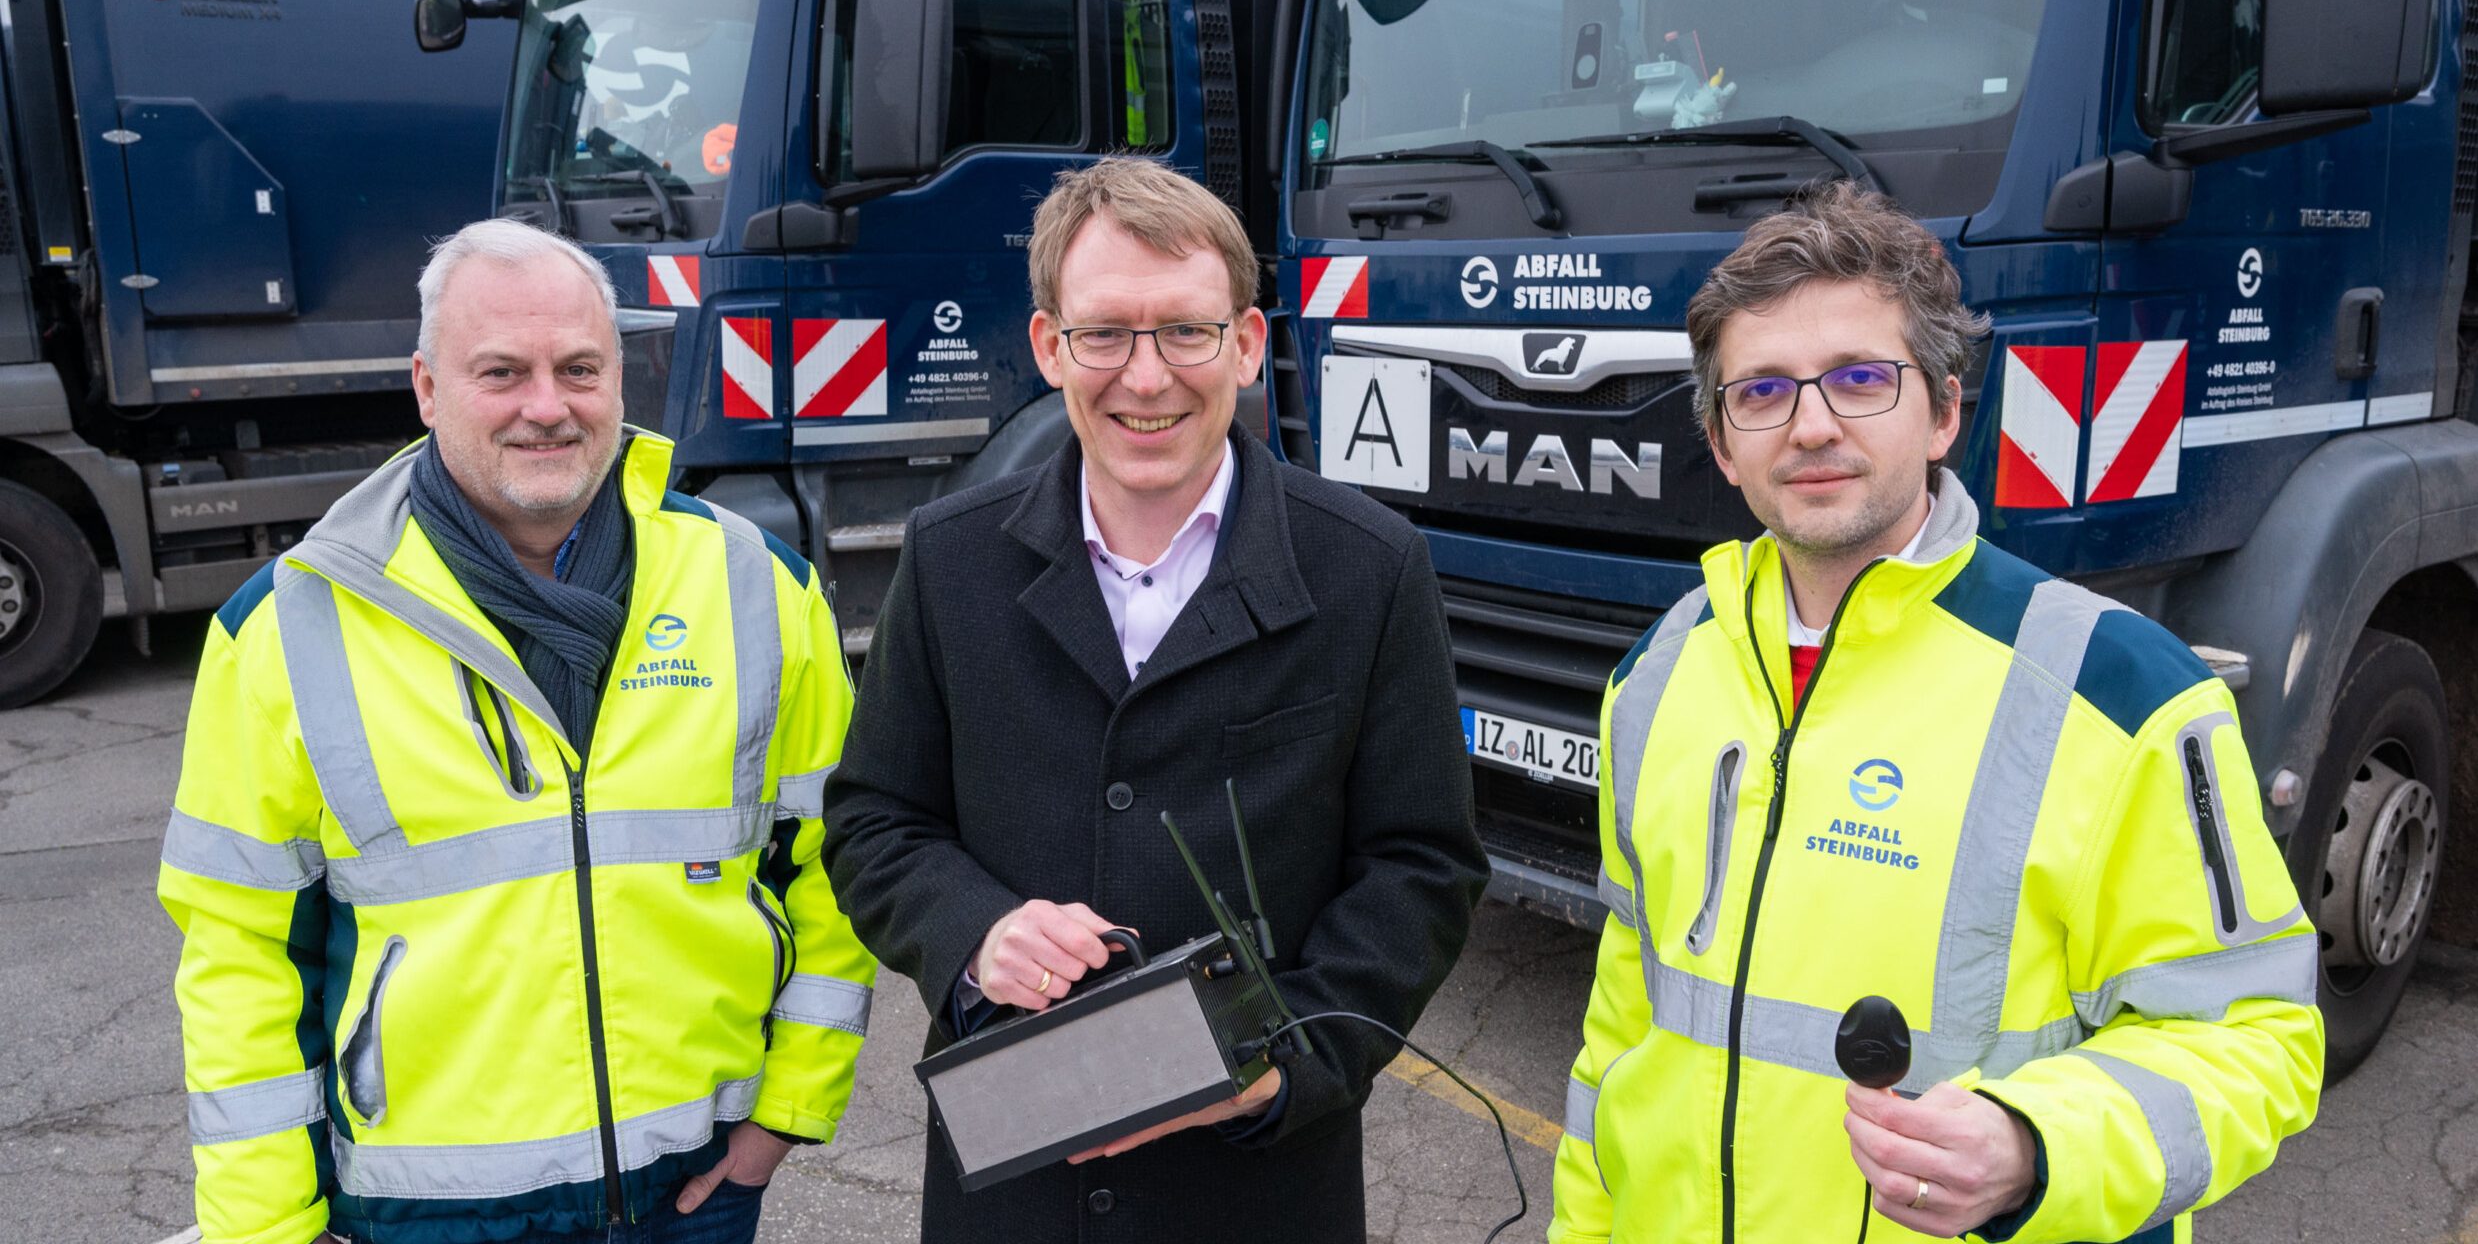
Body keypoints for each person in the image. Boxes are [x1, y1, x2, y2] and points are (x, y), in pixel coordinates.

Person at [1549, 183, 2323, 1243]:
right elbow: (1621, 1030)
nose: (1810, 422)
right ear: (1724, 446)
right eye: (1761, 392)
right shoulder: (1659, 673)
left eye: (1860, 378)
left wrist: (2032, 1144)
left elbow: (2256, 1035)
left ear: (1945, 410)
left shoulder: (2118, 690)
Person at [159, 219, 874, 1244]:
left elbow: (834, 862)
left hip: (692, 1185)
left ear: (619, 379)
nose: (548, 406)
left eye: (579, 368)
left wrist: (788, 1108)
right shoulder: (288, 624)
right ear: (427, 387)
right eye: (502, 371)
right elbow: (236, 955)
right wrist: (265, 1224)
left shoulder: (756, 585)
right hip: (424, 1209)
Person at [823, 156, 1487, 1242]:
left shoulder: (1368, 569)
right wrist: (977, 930)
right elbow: (872, 821)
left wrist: (1282, 1065)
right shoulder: (950, 562)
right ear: (1049, 346)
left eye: (1184, 330)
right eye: (1105, 334)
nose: (1145, 376)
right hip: (1014, 1196)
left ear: (1246, 342)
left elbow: (1421, 865)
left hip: (1257, 1190)